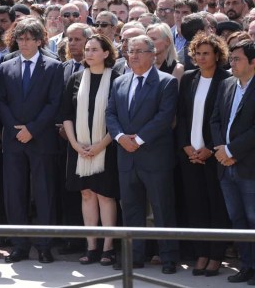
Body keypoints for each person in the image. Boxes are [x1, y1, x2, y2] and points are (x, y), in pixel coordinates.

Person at [106, 35, 179, 274]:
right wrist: (119, 138)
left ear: (152, 54)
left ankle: (168, 258)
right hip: (126, 157)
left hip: (154, 157)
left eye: (139, 51)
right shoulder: (120, 82)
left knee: (162, 209)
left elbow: (164, 117)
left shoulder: (166, 82)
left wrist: (137, 140)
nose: (133, 55)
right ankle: (134, 256)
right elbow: (111, 114)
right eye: (130, 51)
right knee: (131, 209)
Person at [0, 17, 63, 264]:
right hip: (13, 141)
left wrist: (32, 129)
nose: (24, 43)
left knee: (44, 194)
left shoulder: (54, 66)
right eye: (20, 39)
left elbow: (54, 103)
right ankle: (19, 245)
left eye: (29, 39)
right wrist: (15, 131)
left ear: (39, 40)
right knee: (15, 193)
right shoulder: (6, 65)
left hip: (41, 139)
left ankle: (44, 245)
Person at [61, 34, 120, 266]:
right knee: (86, 194)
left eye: (94, 49)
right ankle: (91, 246)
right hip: (79, 148)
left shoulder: (116, 79)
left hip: (106, 147)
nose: (88, 53)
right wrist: (75, 144)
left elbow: (117, 117)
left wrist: (99, 145)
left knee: (105, 195)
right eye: (87, 49)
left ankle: (108, 247)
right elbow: (66, 114)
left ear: (106, 53)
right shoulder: (75, 78)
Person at [176, 33, 230, 277]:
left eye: (206, 53)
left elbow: (224, 119)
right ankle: (201, 252)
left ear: (217, 55)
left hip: (213, 156)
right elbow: (182, 116)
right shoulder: (189, 78)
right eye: (197, 53)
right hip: (190, 155)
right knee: (195, 205)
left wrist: (209, 148)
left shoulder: (226, 80)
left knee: (216, 206)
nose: (200, 57)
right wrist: (187, 146)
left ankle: (216, 255)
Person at [210, 39, 255, 284]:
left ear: (253, 62)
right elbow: (215, 119)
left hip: (248, 164)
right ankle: (247, 265)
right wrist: (221, 151)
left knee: (253, 218)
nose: (232, 63)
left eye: (237, 59)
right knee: (237, 219)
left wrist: (232, 150)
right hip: (225, 165)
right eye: (232, 59)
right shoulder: (227, 84)